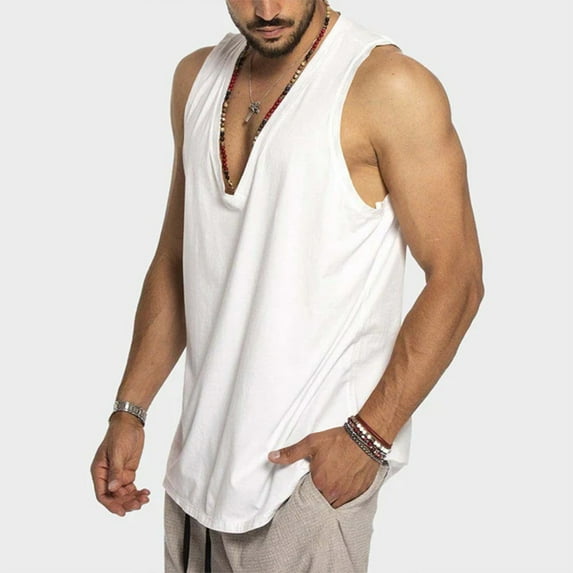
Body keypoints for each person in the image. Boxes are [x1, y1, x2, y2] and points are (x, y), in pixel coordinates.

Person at [90, 1, 484, 571]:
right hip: (196, 479)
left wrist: (369, 438)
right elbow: (178, 259)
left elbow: (458, 278)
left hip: (306, 485)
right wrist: (130, 410)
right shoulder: (195, 80)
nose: (267, 8)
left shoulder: (388, 86)